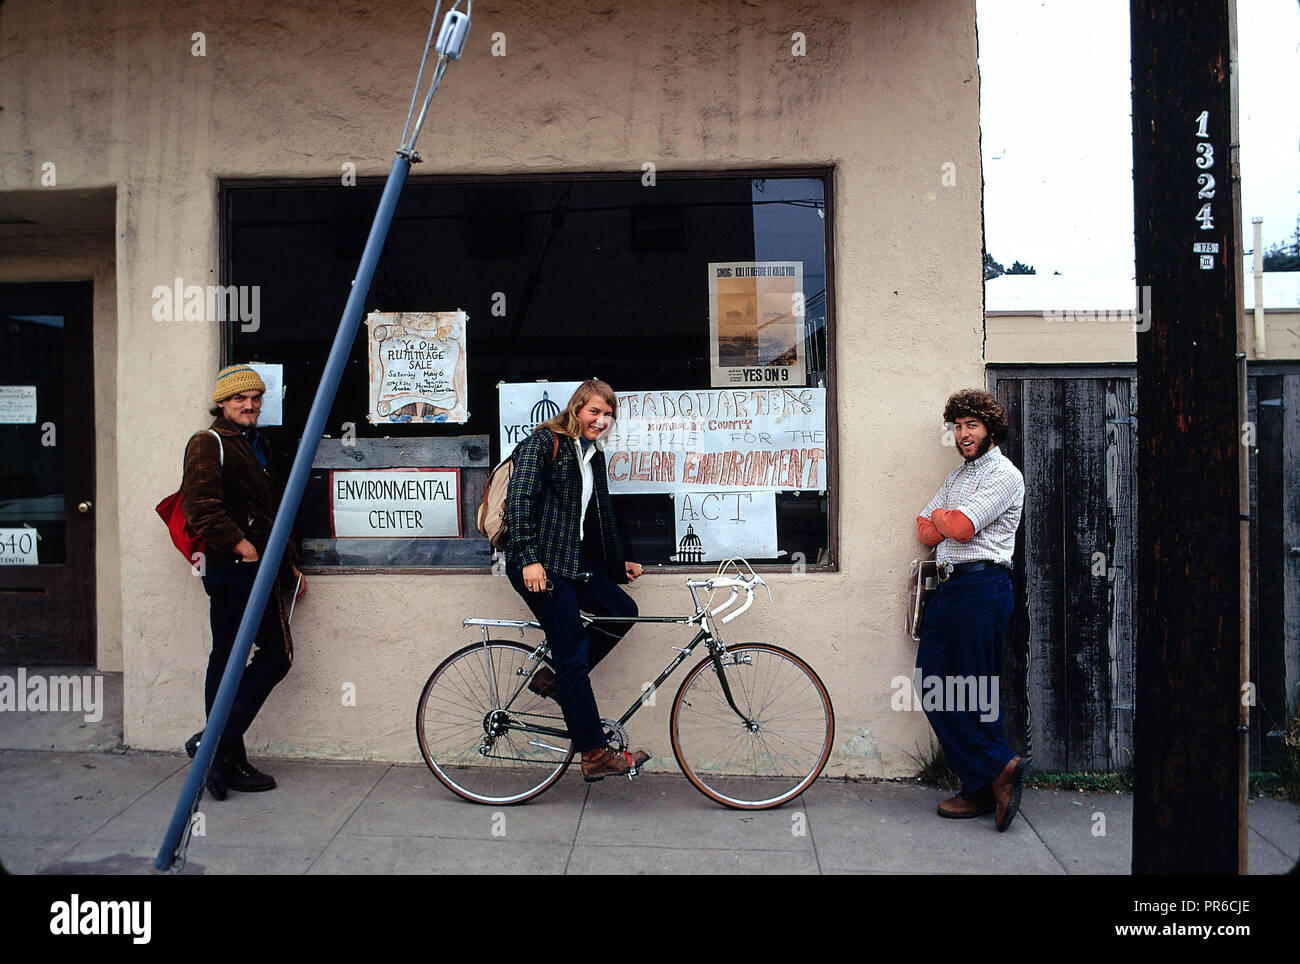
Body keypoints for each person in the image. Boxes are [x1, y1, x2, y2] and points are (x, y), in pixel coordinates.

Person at [504, 379, 649, 781]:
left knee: (622, 610)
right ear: (577, 408)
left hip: (571, 561)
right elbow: (518, 500)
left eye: (608, 415)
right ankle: (594, 754)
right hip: (539, 566)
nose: (601, 421)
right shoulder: (544, 443)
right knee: (573, 658)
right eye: (594, 412)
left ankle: (556, 680)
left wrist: (617, 567)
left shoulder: (593, 456)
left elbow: (599, 519)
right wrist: (530, 560)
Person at [180, 364, 305, 799]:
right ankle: (216, 750)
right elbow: (201, 509)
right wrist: (243, 547)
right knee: (257, 657)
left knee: (254, 658)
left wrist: (286, 563)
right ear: (221, 403)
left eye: (255, 398)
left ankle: (221, 756)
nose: (249, 405)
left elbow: (268, 513)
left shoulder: (258, 444)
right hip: (234, 568)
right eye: (239, 399)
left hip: (260, 567)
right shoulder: (207, 442)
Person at [915, 388, 1027, 831]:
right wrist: (945, 521)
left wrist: (945, 520)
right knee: (932, 682)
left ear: (989, 429)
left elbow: (957, 527)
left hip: (982, 585)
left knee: (976, 691)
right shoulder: (958, 477)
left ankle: (983, 787)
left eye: (971, 426)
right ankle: (997, 769)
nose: (963, 434)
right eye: (958, 426)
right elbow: (924, 531)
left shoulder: (1003, 475)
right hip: (948, 590)